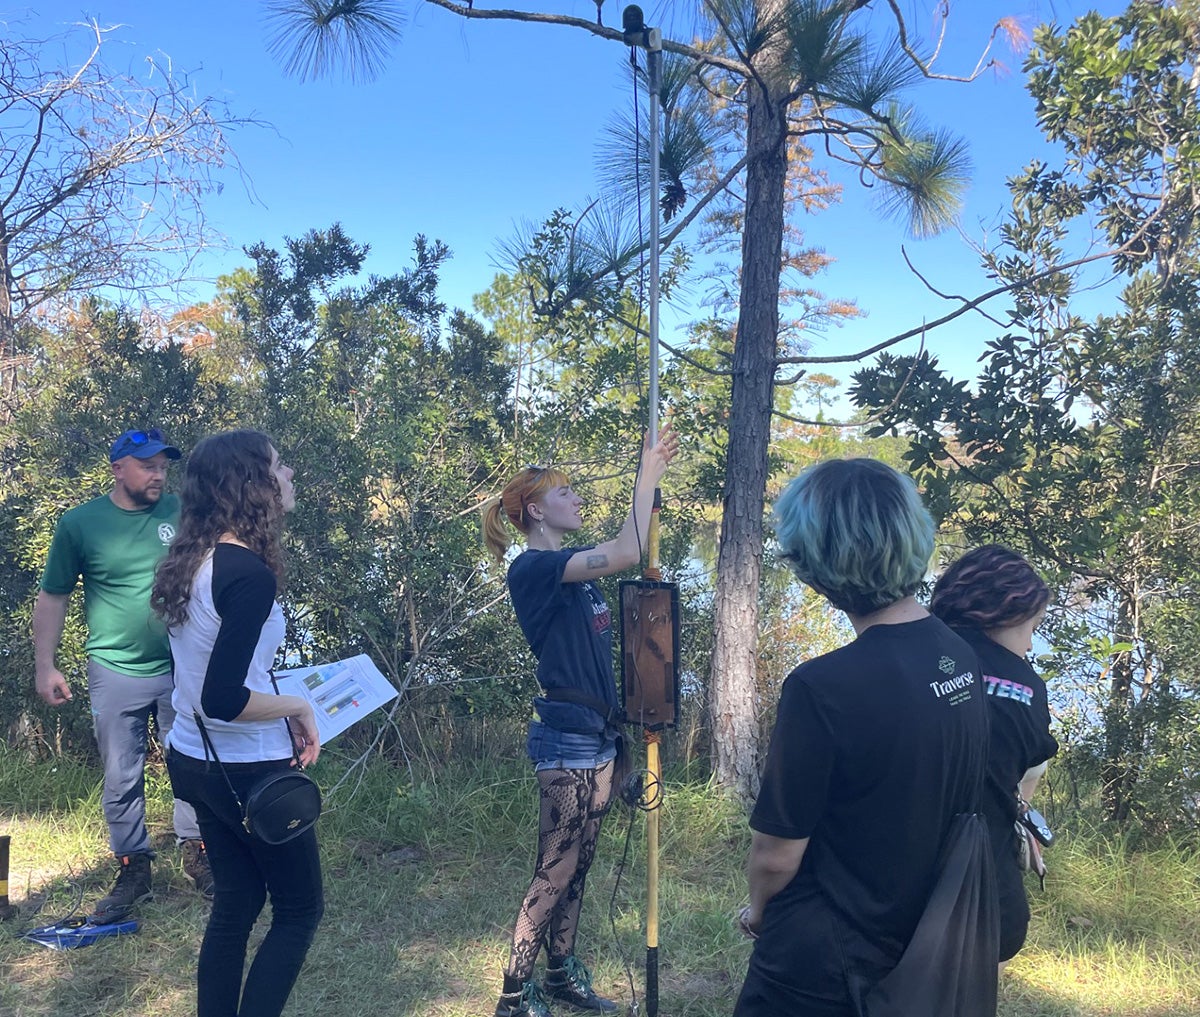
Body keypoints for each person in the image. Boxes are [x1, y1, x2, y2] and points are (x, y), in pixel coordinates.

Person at [734, 458, 990, 1017]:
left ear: (817, 561)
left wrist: (757, 913)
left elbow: (776, 855)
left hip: (819, 962)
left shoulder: (822, 686)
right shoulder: (958, 654)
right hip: (915, 941)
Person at [481, 427, 680, 1017]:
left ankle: (562, 976)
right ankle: (514, 995)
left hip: (596, 736)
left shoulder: (570, 571)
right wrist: (647, 473)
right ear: (536, 510)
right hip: (564, 738)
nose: (575, 499)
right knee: (556, 865)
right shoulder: (534, 568)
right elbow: (622, 551)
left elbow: (629, 544)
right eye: (564, 493)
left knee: (580, 863)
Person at [153, 429, 323, 1017]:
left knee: (236, 902)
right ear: (254, 484)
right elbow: (223, 696)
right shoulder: (247, 574)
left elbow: (206, 675)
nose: (290, 474)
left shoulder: (191, 560)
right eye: (281, 466)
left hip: (195, 758)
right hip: (247, 767)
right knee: (300, 910)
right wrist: (299, 706)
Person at [33, 426, 212, 922]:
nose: (158, 474)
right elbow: (53, 595)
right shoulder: (80, 523)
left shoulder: (181, 511)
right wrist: (45, 665)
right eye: (147, 465)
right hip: (115, 668)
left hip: (183, 664)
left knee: (193, 763)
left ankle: (200, 854)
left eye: (163, 466)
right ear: (117, 468)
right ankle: (133, 866)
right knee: (121, 774)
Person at [931, 544, 1058, 967]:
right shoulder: (1028, 688)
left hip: (876, 892)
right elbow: (1024, 783)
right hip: (986, 906)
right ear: (1006, 614)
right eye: (1032, 627)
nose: (1030, 642)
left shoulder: (906, 658)